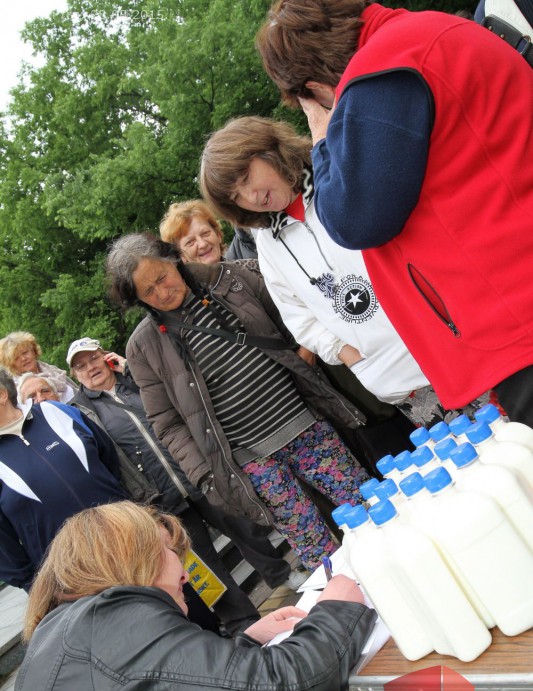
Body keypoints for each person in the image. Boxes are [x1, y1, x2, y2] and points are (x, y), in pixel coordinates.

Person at [256, 0, 533, 428]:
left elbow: (352, 220)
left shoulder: (381, 70)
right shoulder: (432, 32)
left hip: (515, 314)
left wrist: (323, 140)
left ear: (313, 87)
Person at [0, 501, 376, 691]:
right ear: (131, 556)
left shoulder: (71, 631)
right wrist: (337, 608)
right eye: (168, 551)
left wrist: (246, 642)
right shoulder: (109, 621)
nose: (184, 572)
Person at [200, 115, 491, 428]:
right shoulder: (268, 245)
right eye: (236, 196)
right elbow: (300, 319)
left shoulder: (338, 174)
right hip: (405, 385)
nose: (250, 197)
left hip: (464, 348)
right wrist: (351, 356)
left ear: (267, 151)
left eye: (245, 178)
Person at [106, 232, 370, 572]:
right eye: (148, 292)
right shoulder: (143, 347)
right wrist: (205, 476)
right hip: (251, 462)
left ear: (174, 260)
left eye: (162, 278)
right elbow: (167, 424)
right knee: (316, 549)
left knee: (366, 508)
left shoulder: (231, 280)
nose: (162, 293)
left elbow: (293, 319)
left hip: (306, 427)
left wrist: (305, 358)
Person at [67, 335, 261, 634]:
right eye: (81, 366)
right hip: (161, 499)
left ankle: (282, 575)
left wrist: (130, 369)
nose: (90, 367)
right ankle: (245, 624)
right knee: (204, 567)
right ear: (74, 375)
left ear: (106, 356)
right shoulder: (82, 412)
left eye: (93, 357)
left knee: (245, 528)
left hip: (196, 474)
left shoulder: (137, 380)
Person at [0, 366, 127, 590]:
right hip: (76, 584)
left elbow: (110, 460)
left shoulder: (55, 412)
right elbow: (5, 551)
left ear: (2, 394)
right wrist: (42, 588)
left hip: (130, 539)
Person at [160, 198, 257, 265]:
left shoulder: (249, 269)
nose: (202, 244)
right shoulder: (188, 289)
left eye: (205, 233)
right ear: (181, 255)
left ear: (218, 235)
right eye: (190, 242)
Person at [0, 331, 76, 402]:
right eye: (16, 358)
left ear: (34, 351)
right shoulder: (13, 391)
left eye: (25, 352)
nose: (23, 359)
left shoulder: (56, 372)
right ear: (10, 364)